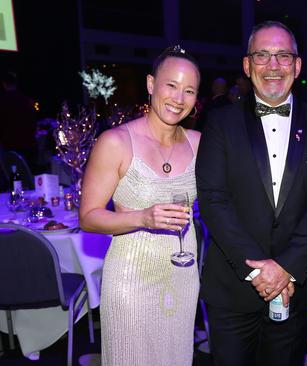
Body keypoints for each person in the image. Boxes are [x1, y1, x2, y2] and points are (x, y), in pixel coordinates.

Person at [196, 21, 307, 366]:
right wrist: (260, 272)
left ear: (297, 65)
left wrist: (286, 268)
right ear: (247, 66)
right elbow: (214, 199)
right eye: (262, 55)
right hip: (234, 286)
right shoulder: (220, 122)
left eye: (283, 56)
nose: (273, 65)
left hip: (296, 286)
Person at [79, 45, 201, 366]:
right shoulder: (116, 142)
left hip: (182, 278)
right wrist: (143, 217)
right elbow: (89, 218)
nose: (179, 98)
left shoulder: (200, 144)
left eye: (189, 90)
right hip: (131, 281)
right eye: (171, 86)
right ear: (151, 85)